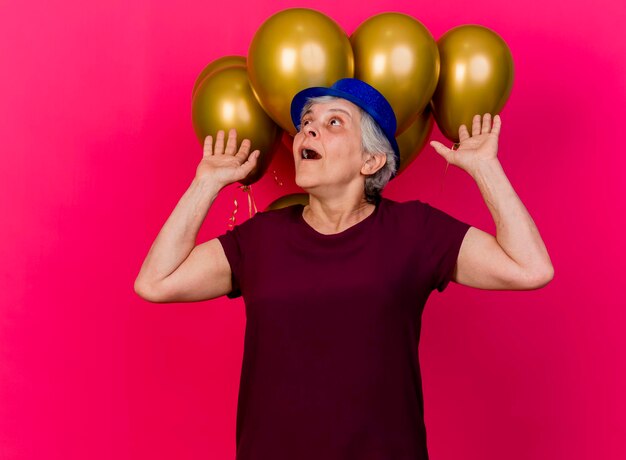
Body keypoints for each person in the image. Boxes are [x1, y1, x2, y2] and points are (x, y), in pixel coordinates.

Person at [134, 78, 554, 459]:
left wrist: (486, 169)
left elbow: (529, 267)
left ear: (371, 161)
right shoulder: (261, 238)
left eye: (334, 122)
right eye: (306, 122)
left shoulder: (415, 230)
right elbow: (156, 281)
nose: (309, 130)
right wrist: (206, 183)